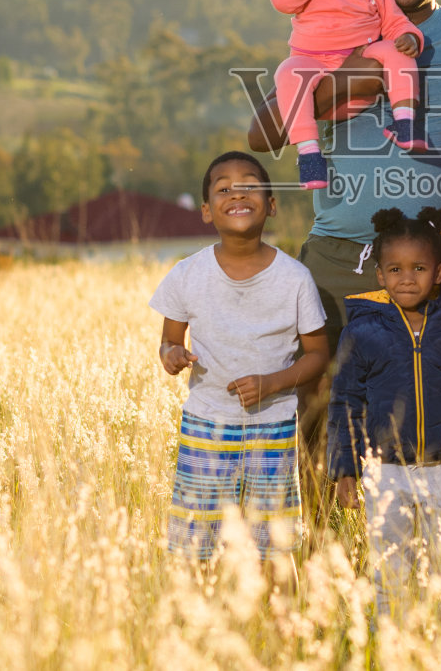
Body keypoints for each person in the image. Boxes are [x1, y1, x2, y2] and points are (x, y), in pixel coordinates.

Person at [247, 0, 441, 518]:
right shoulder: (333, 21)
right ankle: (322, 561)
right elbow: (262, 132)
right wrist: (352, 78)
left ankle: (417, 559)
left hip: (432, 267)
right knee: (318, 412)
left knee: (424, 416)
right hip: (337, 258)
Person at [152, 151, 331, 574]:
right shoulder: (186, 274)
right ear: (206, 210)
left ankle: (278, 632)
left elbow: (319, 355)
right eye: (224, 188)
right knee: (196, 547)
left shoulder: (294, 279)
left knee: (273, 548)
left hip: (273, 430)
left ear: (272, 204)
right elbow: (167, 342)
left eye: (250, 185)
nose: (238, 194)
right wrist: (172, 355)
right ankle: (203, 627)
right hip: (205, 427)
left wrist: (272, 383)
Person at [327, 206, 441, 615]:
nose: (407, 278)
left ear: (439, 274)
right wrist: (345, 469)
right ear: (380, 275)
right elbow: (345, 403)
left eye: (419, 267)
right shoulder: (362, 333)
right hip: (385, 473)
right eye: (395, 269)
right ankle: (389, 650)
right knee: (390, 579)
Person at [270, 0, 426, 189]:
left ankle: (404, 121)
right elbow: (281, 0)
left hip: (362, 75)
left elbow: (394, 22)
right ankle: (309, 155)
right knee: (288, 72)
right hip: (315, 74)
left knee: (397, 51)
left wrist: (409, 37)